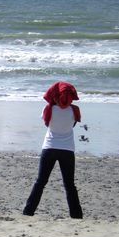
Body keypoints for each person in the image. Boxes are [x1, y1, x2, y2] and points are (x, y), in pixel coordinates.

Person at [23, 81, 83, 219]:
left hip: (49, 147)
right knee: (69, 185)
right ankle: (76, 215)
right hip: (67, 149)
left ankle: (28, 211)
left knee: (40, 182)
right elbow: (72, 125)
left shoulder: (48, 109)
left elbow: (47, 123)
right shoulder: (74, 110)